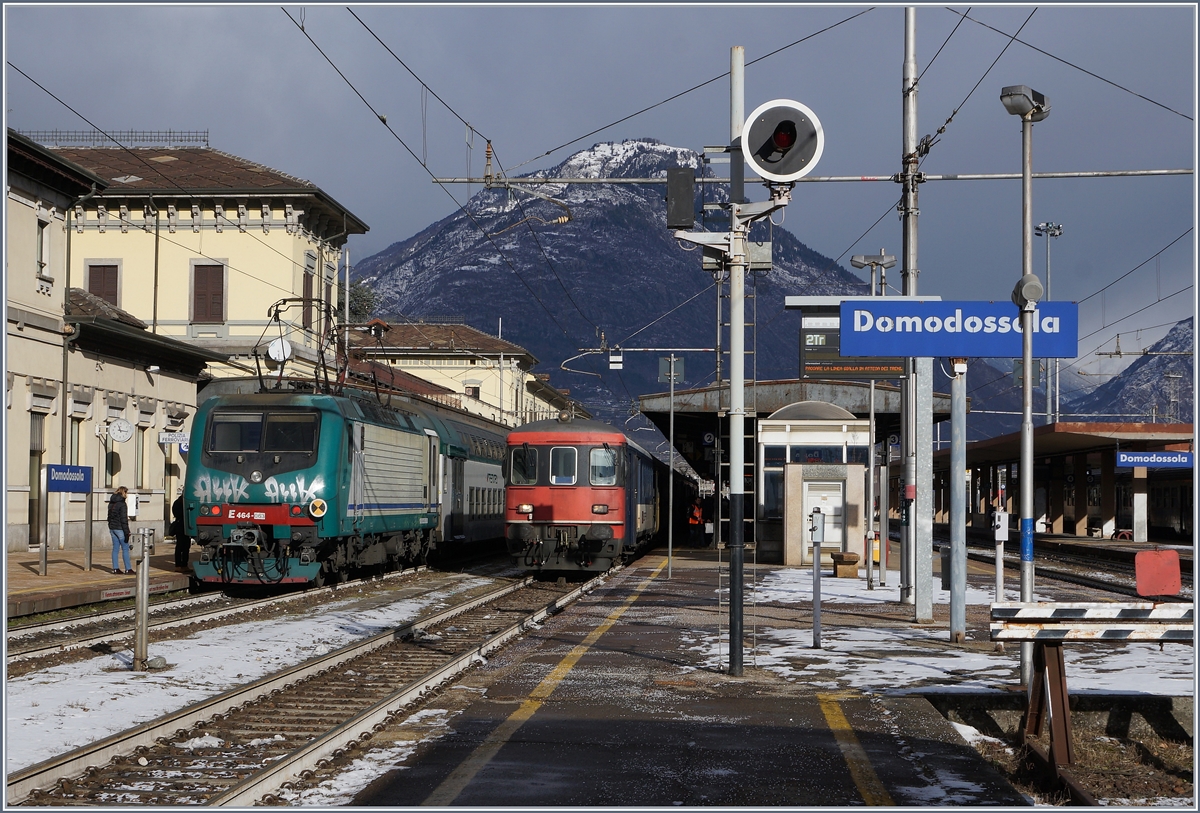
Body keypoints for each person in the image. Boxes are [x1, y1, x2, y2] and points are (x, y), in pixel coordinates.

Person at [108, 486, 132, 575]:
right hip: (120, 528)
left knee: (115, 549)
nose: (127, 495)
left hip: (112, 528)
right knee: (125, 548)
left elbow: (109, 516)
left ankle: (115, 568)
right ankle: (128, 569)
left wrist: (110, 526)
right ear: (124, 492)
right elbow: (124, 519)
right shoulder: (122, 504)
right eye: (126, 493)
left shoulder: (111, 502)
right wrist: (127, 532)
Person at [171, 492, 191, 572]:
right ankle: (178, 565)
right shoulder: (177, 503)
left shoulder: (186, 503)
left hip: (187, 527)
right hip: (180, 527)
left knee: (187, 546)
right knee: (179, 546)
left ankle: (184, 564)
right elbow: (177, 514)